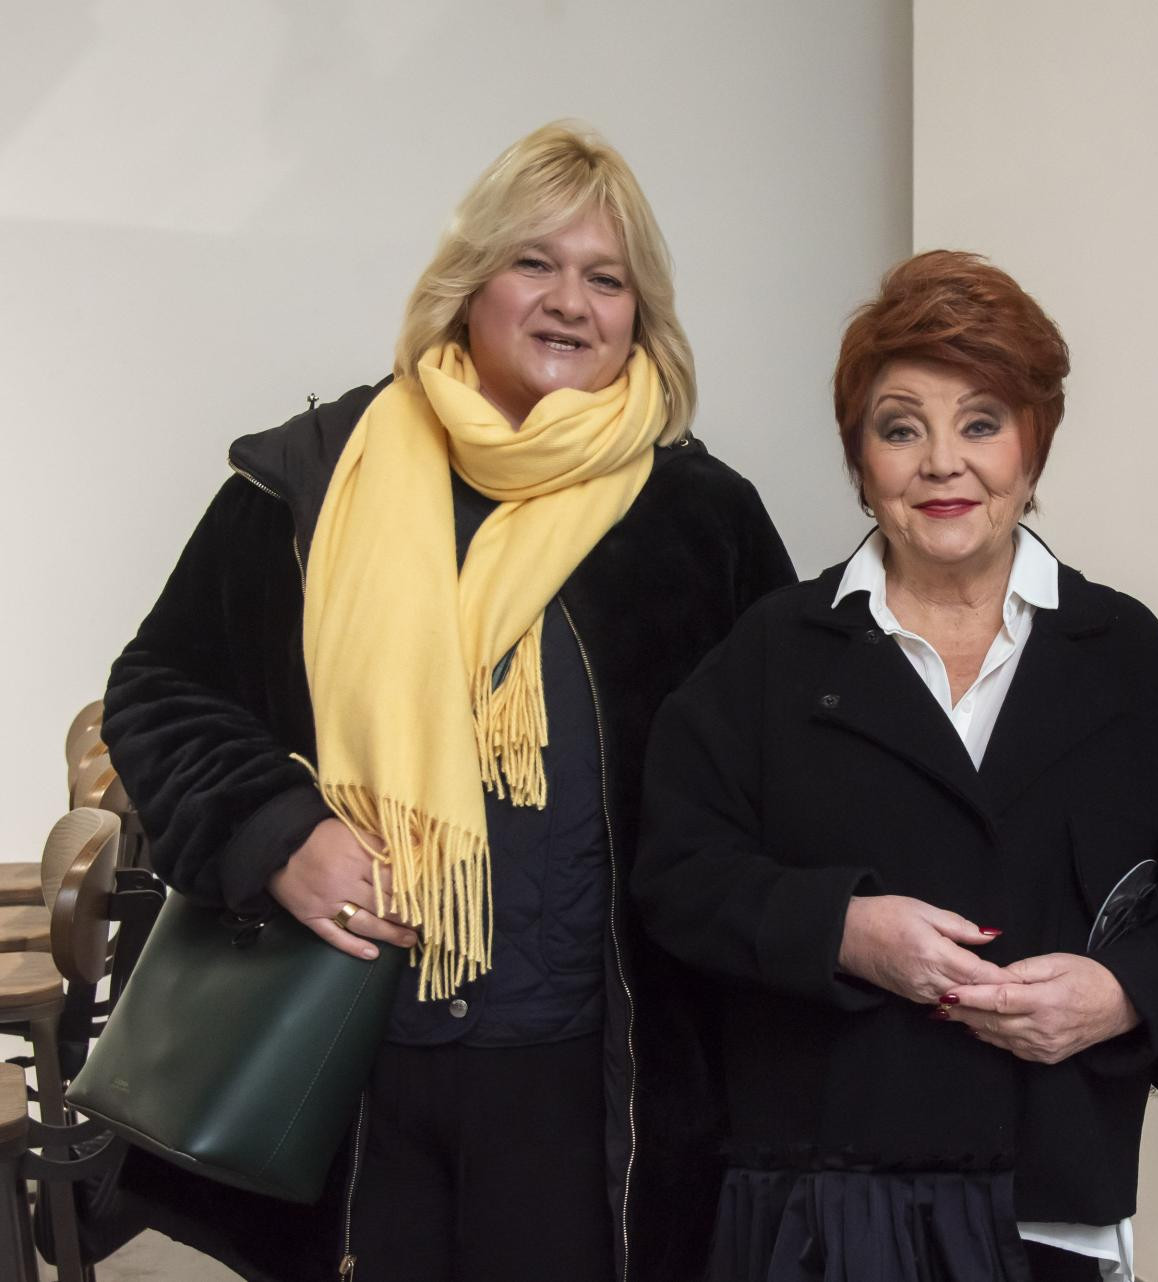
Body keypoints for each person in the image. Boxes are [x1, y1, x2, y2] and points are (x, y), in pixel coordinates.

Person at [101, 122, 794, 1282]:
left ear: (641, 316)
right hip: (348, 1066)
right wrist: (278, 833)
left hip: (592, 1088)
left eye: (607, 278)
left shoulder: (702, 520)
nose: (569, 302)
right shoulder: (315, 478)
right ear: (468, 284)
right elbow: (158, 687)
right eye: (534, 261)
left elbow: (782, 779)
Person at [634, 250, 1158, 1282]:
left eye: (981, 423)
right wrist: (844, 930)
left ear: (1033, 446)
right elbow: (677, 875)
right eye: (900, 428)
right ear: (859, 458)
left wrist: (1123, 992)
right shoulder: (773, 650)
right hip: (819, 1201)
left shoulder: (1123, 654)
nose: (941, 464)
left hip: (1051, 1193)